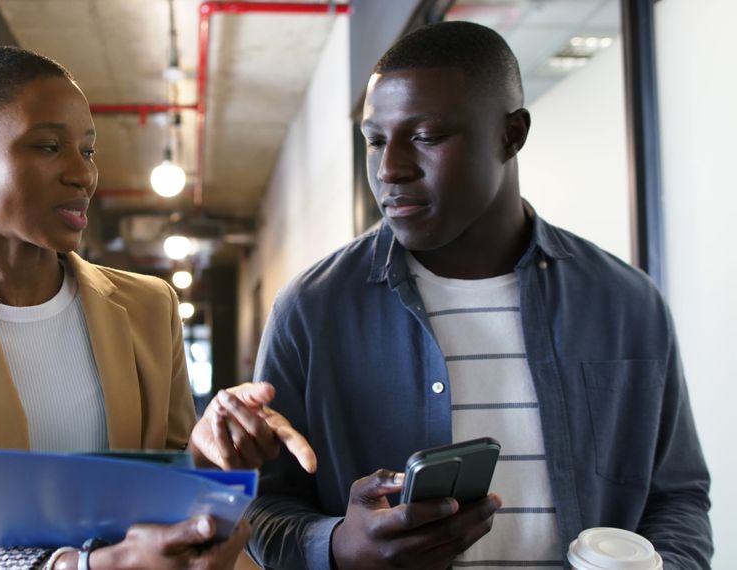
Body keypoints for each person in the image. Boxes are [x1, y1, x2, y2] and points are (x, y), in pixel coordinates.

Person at [244, 21, 712, 569]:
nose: (390, 168)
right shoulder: (312, 311)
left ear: (510, 134)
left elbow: (677, 497)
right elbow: (261, 507)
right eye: (375, 140)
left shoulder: (626, 304)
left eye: (426, 137)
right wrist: (339, 547)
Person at [0, 46, 313, 570]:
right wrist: (79, 567)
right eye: (47, 146)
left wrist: (208, 447)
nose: (82, 175)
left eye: (87, 151)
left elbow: (170, 492)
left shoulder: (148, 305)